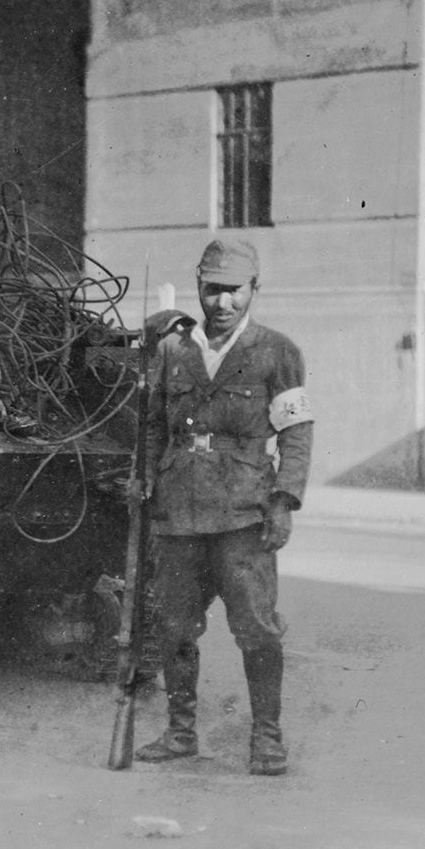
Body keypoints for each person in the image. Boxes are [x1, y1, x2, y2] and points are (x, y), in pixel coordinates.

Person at [136, 238, 313, 776]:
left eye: (234, 291)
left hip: (242, 512)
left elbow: (297, 433)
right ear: (199, 288)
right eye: (213, 290)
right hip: (178, 511)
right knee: (175, 627)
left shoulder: (276, 352)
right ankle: (180, 731)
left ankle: (267, 738)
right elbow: (151, 426)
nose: (222, 303)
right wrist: (143, 479)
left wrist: (283, 500)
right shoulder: (173, 350)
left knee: (257, 628)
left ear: (254, 290)